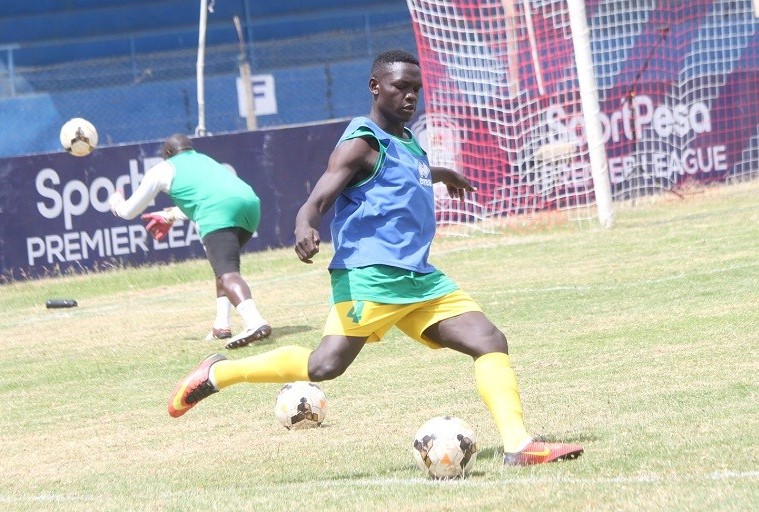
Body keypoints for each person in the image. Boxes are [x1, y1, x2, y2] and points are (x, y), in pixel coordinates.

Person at [167, 50, 583, 466]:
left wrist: (439, 173)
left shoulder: (406, 140)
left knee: (489, 340)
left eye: (416, 89)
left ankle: (518, 445)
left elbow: (403, 173)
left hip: (419, 277)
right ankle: (217, 373)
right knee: (325, 365)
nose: (410, 96)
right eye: (400, 87)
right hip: (371, 275)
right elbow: (318, 198)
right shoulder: (361, 142)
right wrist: (304, 226)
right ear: (375, 87)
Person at [109, 134, 271, 349]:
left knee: (228, 274)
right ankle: (221, 326)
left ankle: (254, 321)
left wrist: (116, 202)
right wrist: (170, 215)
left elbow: (129, 211)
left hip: (218, 212)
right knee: (222, 269)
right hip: (250, 207)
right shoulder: (205, 160)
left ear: (166, 154)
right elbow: (209, 195)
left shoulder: (162, 169)